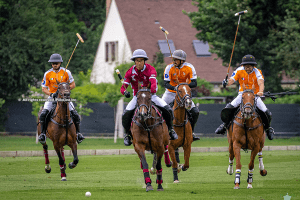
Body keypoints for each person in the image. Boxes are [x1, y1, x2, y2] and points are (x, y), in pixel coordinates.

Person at [120, 49, 178, 146]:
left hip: (151, 95)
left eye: (141, 60)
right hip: (137, 97)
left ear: (144, 61)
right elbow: (123, 87)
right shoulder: (129, 72)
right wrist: (125, 92)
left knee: (168, 109)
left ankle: (171, 130)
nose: (139, 63)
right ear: (134, 61)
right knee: (125, 113)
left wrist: (150, 91)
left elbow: (153, 84)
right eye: (137, 61)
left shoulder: (151, 69)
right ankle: (127, 135)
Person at [215, 54, 275, 140]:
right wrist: (226, 83)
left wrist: (261, 91)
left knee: (267, 112)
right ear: (243, 65)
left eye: (249, 67)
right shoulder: (239, 70)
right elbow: (232, 80)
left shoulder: (257, 72)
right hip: (242, 95)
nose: (247, 68)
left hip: (254, 96)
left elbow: (261, 82)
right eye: (245, 66)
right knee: (228, 108)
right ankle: (224, 126)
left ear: (253, 66)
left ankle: (268, 129)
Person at [38, 53, 85, 144]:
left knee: (75, 114)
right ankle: (43, 134)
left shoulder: (66, 72)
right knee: (43, 113)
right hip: (52, 97)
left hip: (64, 98)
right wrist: (52, 94)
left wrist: (65, 91)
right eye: (53, 63)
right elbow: (43, 88)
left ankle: (78, 134)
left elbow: (73, 84)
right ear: (51, 64)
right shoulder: (47, 74)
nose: (54, 64)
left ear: (60, 63)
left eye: (56, 62)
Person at [162, 49, 200, 141]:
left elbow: (194, 83)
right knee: (160, 108)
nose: (174, 61)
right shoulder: (169, 67)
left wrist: (182, 86)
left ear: (182, 61)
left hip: (184, 94)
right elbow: (166, 83)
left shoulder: (189, 67)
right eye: (173, 59)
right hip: (170, 93)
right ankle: (160, 131)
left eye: (176, 59)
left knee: (195, 112)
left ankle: (192, 132)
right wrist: (175, 88)